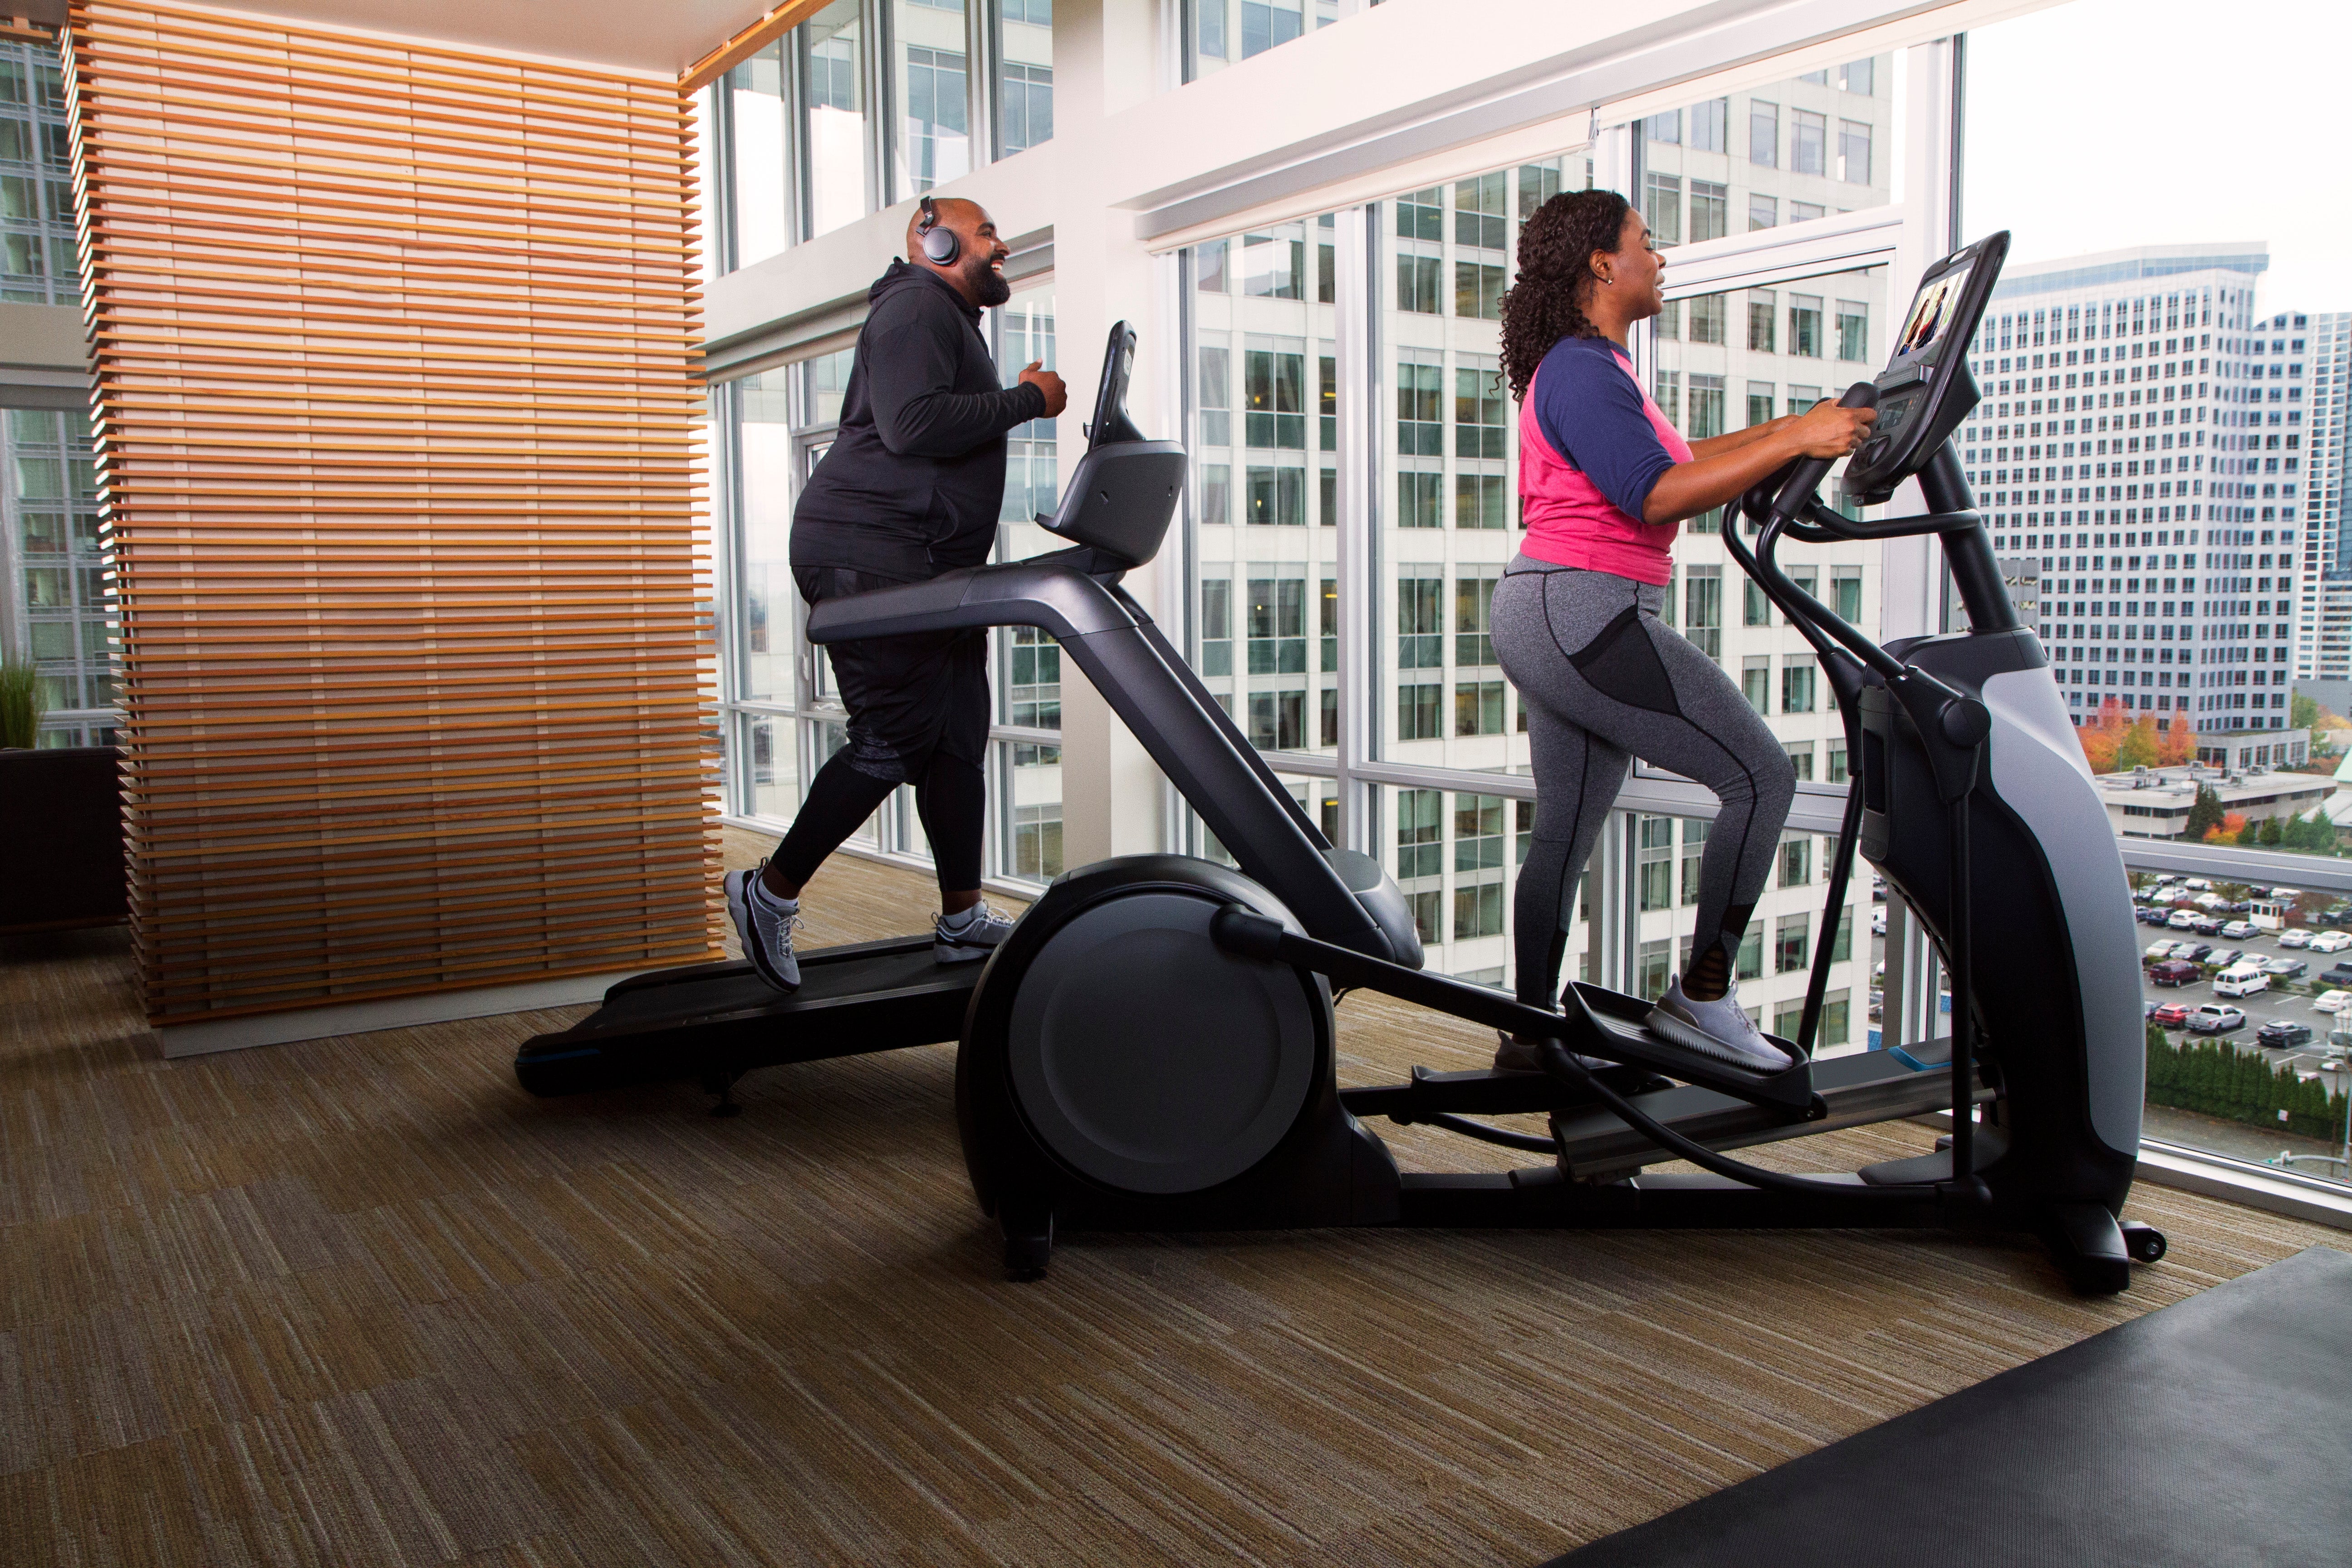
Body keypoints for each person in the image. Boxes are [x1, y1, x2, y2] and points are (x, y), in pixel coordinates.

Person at [1489, 188, 1876, 1072]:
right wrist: (1794, 443)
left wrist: (1796, 430)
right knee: (1760, 776)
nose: (1659, 259)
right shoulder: (1584, 368)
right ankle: (1703, 999)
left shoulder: (1590, 368)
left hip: (1557, 608)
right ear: (1602, 264)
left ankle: (1529, 1033)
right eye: (1646, 243)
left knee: (1565, 825)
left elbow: (1683, 461)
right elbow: (1653, 494)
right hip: (1583, 608)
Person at [727, 197, 1068, 992]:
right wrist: (1028, 401)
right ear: (935, 239)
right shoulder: (916, 305)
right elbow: (913, 425)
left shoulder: (941, 318)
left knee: (954, 734)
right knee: (895, 735)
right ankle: (768, 893)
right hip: (869, 555)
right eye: (987, 233)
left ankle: (961, 918)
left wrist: (1012, 395)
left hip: (922, 564)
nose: (1002, 244)